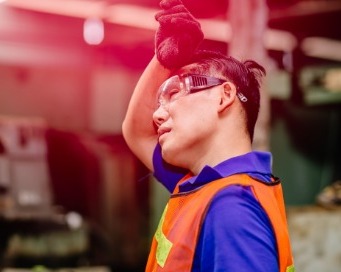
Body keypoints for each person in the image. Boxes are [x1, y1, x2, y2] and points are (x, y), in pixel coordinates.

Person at [122, 0, 294, 271]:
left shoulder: (232, 209)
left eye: (174, 93)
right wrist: (164, 59)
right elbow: (137, 131)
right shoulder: (202, 186)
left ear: (224, 96)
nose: (156, 116)